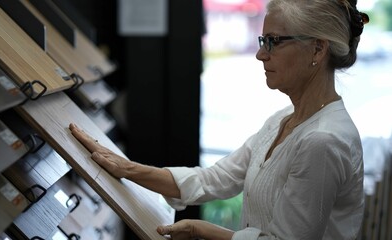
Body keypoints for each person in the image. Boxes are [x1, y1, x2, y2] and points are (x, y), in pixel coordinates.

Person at [69, 0, 369, 239]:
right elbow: (213, 179)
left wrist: (203, 229)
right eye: (263, 40)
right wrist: (127, 168)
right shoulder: (282, 121)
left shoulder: (323, 141)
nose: (261, 55)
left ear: (317, 48)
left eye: (274, 41)